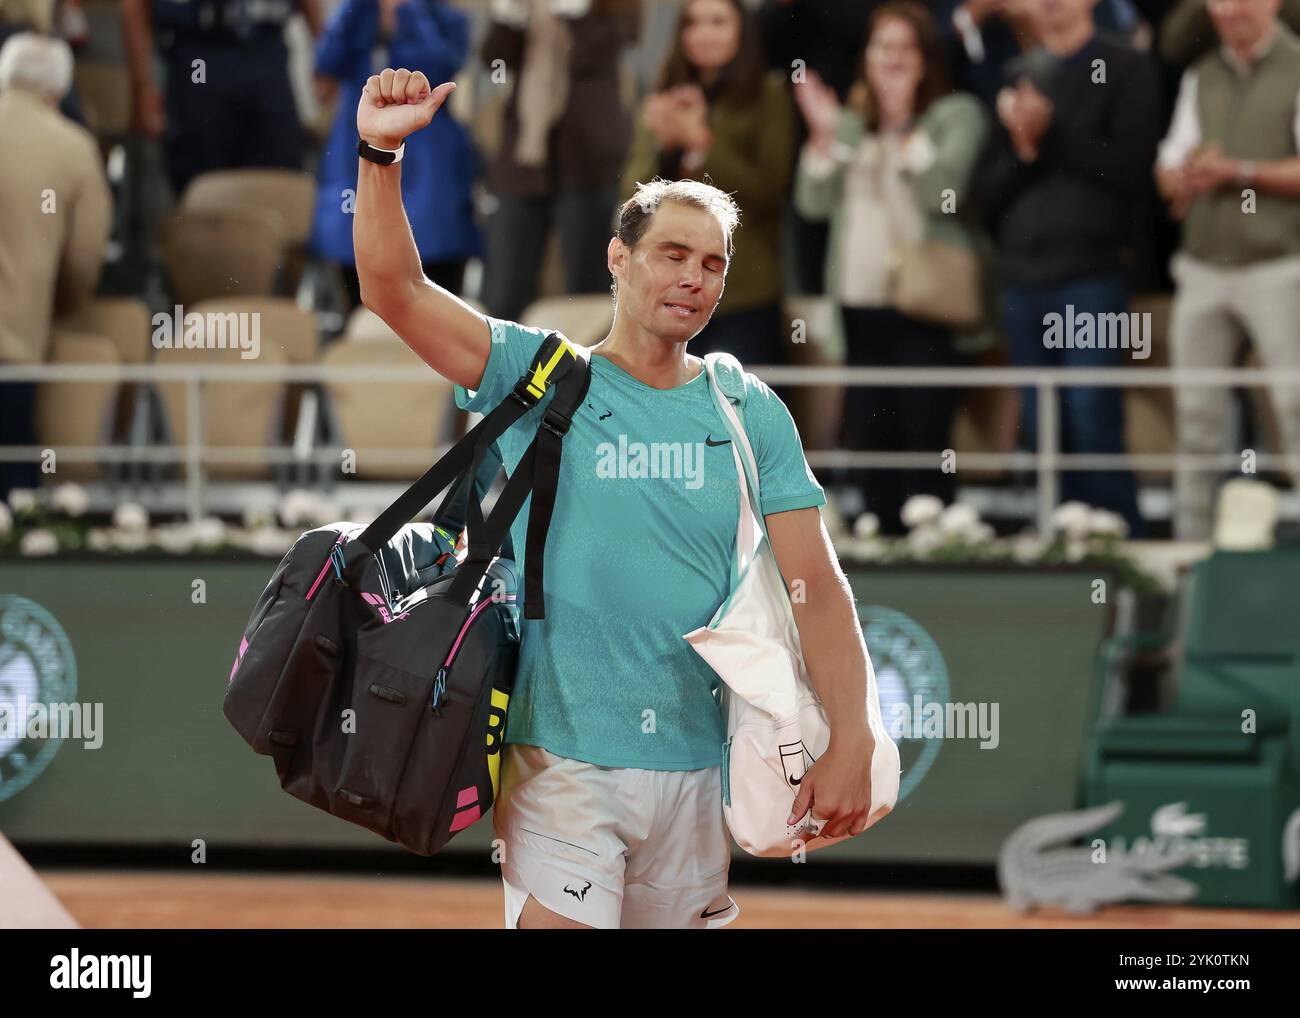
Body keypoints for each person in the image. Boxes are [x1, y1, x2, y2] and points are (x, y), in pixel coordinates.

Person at [353, 67, 887, 929]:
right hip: (557, 762)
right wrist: (381, 151)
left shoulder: (747, 408)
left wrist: (855, 737)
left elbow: (816, 588)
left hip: (695, 771)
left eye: (713, 264)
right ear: (618, 258)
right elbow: (394, 290)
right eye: (672, 255)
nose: (694, 278)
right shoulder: (540, 375)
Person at [794, 1, 987, 534]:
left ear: (926, 58)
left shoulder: (955, 114)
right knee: (872, 435)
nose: (894, 59)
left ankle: (934, 545)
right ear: (868, 57)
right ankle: (878, 542)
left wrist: (905, 129)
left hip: (926, 303)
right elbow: (812, 203)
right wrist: (824, 140)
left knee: (927, 433)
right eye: (884, 47)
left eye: (907, 48)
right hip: (859, 303)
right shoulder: (852, 124)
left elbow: (943, 195)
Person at [976, 0, 1159, 536]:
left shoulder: (1125, 66)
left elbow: (1131, 169)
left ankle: (1120, 537)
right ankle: (1060, 536)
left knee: (1091, 409)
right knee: (1041, 420)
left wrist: (1048, 135)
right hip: (1022, 277)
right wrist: (1024, 147)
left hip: (1094, 274)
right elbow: (982, 192)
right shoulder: (1016, 76)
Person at [1156, 0, 1300, 540]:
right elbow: (1169, 161)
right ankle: (1187, 557)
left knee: (1295, 411)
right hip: (1202, 268)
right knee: (1194, 422)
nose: (1228, 10)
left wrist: (1237, 171)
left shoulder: (1296, 65)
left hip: (1280, 267)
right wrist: (1181, 177)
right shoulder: (1201, 76)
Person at [624, 0, 795, 368]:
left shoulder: (769, 93)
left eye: (718, 22)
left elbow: (770, 190)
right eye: (693, 23)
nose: (704, 34)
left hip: (744, 291)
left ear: (741, 30)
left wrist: (701, 143)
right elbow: (632, 201)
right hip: (665, 292)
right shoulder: (664, 97)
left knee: (736, 415)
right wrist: (662, 144)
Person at [478, 0, 641, 323]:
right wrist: (507, 17)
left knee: (586, 283)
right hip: (524, 162)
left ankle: (588, 369)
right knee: (505, 287)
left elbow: (591, 58)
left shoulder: (611, 11)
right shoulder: (529, 10)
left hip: (587, 163)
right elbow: (494, 61)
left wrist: (576, 14)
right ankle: (503, 366)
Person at [310, 0, 480, 306]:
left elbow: (438, 67)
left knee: (436, 293)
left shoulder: (446, 18)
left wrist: (406, 10)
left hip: (429, 162)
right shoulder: (356, 13)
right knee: (360, 282)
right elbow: (326, 61)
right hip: (355, 154)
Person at [0, 33, 110, 502]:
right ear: (58, 91)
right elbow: (86, 258)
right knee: (13, 513)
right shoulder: (71, 147)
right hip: (12, 350)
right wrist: (58, 307)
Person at [122, 0, 321, 199]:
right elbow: (136, 6)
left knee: (280, 182)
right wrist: (142, 86)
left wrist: (328, 61)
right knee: (202, 188)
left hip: (265, 49)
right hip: (198, 54)